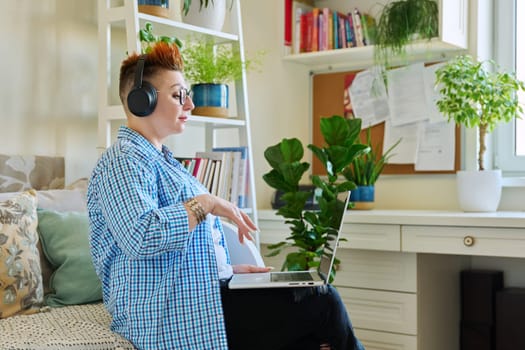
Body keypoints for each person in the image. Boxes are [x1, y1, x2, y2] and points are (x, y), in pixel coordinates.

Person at [87, 41, 365, 350]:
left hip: (198, 294)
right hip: (164, 313)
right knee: (323, 302)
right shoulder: (123, 160)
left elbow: (173, 255)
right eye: (179, 94)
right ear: (143, 101)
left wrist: (225, 271)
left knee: (314, 330)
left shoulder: (161, 161)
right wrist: (207, 203)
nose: (190, 104)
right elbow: (142, 236)